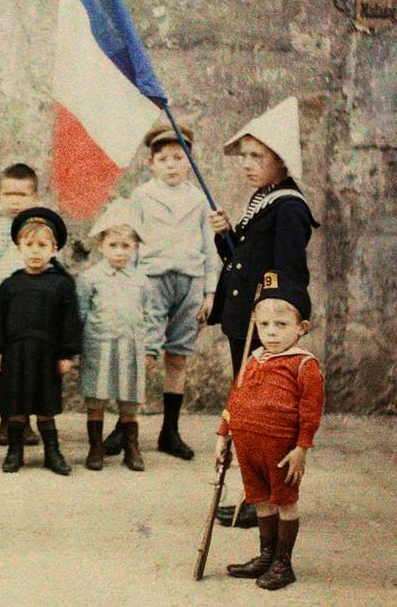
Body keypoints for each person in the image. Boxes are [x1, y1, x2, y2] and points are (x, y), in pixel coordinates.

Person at [208, 97, 319, 527]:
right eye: (245, 155)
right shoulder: (263, 198)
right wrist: (225, 236)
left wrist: (271, 322)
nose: (247, 164)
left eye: (257, 156)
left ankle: (265, 499)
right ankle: (255, 494)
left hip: (264, 326)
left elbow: (287, 274)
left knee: (265, 417)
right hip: (246, 321)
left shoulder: (289, 207)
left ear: (281, 162)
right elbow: (243, 261)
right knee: (248, 411)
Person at [103, 125, 219, 462]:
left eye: (179, 158)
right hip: (152, 280)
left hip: (190, 281)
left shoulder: (200, 199)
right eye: (164, 159)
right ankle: (125, 426)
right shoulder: (142, 196)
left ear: (190, 162)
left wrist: (210, 291)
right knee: (145, 353)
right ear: (151, 163)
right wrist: (131, 283)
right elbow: (132, 242)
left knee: (178, 356)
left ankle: (170, 430)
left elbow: (210, 247)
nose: (171, 165)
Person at [214, 271, 324, 591]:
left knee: (284, 501)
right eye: (264, 325)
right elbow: (235, 398)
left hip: (281, 450)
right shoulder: (254, 358)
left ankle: (283, 563)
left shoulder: (304, 365)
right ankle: (266, 556)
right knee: (261, 500)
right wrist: (223, 436)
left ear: (302, 327)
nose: (271, 332)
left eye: (281, 324)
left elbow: (310, 412)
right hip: (248, 446)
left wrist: (302, 448)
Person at [0, 207, 81, 476]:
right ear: (18, 247)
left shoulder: (61, 284)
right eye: (29, 245)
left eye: (42, 245)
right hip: (16, 355)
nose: (35, 251)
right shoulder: (10, 285)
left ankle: (52, 453)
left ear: (54, 249)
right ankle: (14, 451)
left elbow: (70, 321)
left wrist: (66, 355)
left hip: (46, 355)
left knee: (45, 406)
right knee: (15, 406)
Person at [77, 200, 149, 472]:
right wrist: (79, 347)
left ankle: (131, 448)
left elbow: (149, 313)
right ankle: (96, 447)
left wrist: (151, 348)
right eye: (113, 245)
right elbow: (81, 312)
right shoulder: (90, 278)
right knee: (96, 398)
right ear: (101, 245)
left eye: (126, 246)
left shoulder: (141, 280)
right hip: (99, 346)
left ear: (135, 247)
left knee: (129, 399)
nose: (119, 252)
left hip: (130, 347)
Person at [0, 164, 42, 448]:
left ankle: (26, 421)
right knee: (4, 369)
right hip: (1, 312)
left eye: (21, 194)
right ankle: (6, 420)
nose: (14, 200)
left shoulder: (42, 229)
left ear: (35, 196)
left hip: (31, 314)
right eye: (8, 194)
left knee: (31, 368)